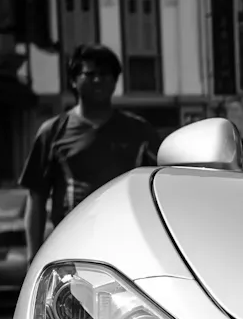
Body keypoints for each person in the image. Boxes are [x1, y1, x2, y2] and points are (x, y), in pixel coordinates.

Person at [20, 44, 161, 251]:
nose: (98, 80)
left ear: (115, 81)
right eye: (90, 74)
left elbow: (161, 186)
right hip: (72, 247)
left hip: (128, 245)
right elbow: (37, 198)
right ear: (73, 80)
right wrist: (33, 257)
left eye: (105, 74)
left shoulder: (140, 131)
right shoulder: (52, 132)